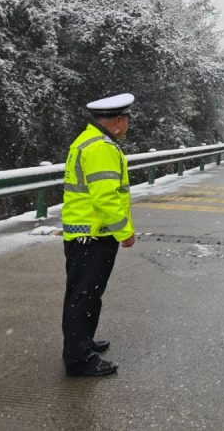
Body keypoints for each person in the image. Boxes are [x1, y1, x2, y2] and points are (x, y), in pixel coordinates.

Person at [61, 93, 136, 377]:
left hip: (84, 234)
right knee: (85, 296)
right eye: (126, 119)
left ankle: (82, 343)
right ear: (117, 121)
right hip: (93, 236)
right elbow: (105, 197)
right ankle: (79, 359)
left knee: (84, 294)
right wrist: (124, 231)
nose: (127, 124)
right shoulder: (101, 148)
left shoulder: (88, 140)